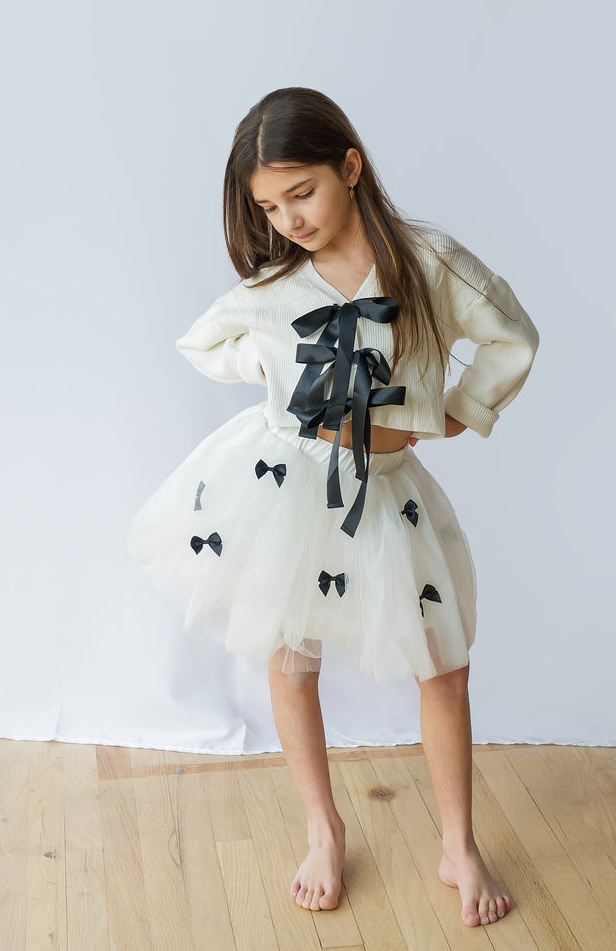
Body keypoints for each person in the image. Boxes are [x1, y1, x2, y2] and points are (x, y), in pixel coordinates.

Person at [125, 87, 539, 927]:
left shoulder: (429, 262)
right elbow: (203, 344)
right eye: (270, 207)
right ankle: (321, 827)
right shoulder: (275, 287)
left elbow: (511, 335)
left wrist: (462, 407)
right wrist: (278, 372)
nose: (289, 219)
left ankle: (457, 843)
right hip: (287, 489)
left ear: (349, 166)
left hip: (387, 496)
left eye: (301, 192)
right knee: (291, 658)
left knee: (444, 665)